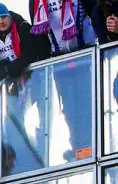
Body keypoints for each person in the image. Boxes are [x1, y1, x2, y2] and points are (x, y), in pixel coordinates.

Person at [30, 0, 96, 159]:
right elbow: (38, 33)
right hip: (59, 59)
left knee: (86, 101)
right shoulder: (36, 1)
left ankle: (91, 144)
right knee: (69, 106)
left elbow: (93, 12)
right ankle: (77, 146)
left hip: (84, 54)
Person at [0, 3, 46, 88]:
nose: (1, 21)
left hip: (35, 76)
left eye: (4, 17)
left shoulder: (22, 27)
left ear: (9, 17)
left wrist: (10, 68)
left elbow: (32, 52)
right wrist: (1, 69)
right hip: (12, 85)